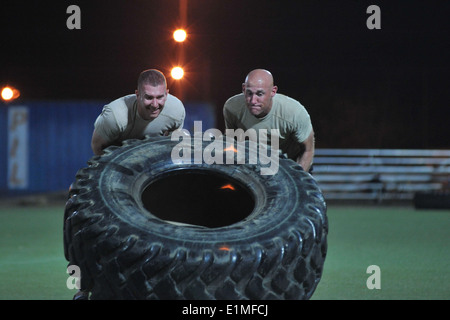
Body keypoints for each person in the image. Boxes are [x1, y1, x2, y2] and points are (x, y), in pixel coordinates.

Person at [223, 69, 315, 173]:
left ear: (273, 91)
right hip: (255, 161)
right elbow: (231, 143)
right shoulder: (232, 108)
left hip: (290, 163)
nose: (253, 101)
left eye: (260, 94)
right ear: (243, 89)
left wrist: (297, 180)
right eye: (249, 93)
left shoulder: (294, 113)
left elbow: (308, 150)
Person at [91, 69, 185, 155]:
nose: (155, 105)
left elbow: (172, 147)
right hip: (118, 158)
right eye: (149, 97)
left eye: (160, 97)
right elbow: (97, 146)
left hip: (152, 156)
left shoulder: (176, 111)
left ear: (166, 94)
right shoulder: (115, 116)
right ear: (137, 95)